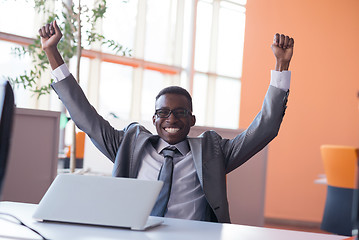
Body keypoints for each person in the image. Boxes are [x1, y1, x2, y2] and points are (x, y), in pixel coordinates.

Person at [39, 20, 294, 223]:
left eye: (180, 112)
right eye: (163, 113)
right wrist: (52, 52)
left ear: (192, 119)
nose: (171, 118)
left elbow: (265, 128)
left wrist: (281, 65)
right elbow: (85, 117)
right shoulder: (128, 145)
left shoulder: (213, 152)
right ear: (154, 119)